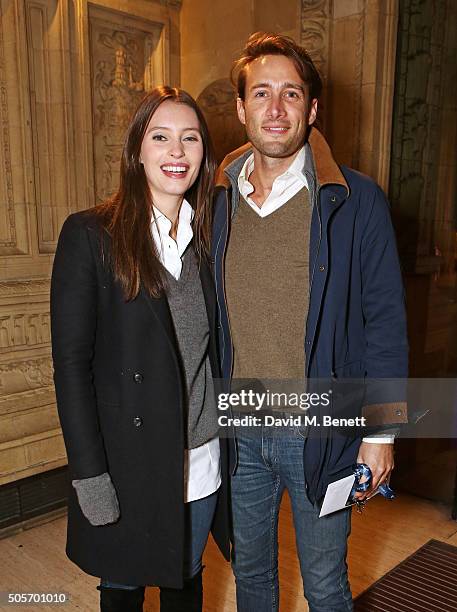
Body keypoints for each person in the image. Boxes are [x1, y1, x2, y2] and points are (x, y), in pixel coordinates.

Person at [212, 33, 408, 611]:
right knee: (251, 579)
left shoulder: (356, 199)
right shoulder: (215, 199)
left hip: (323, 430)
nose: (276, 109)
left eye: (291, 94)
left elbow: (386, 324)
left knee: (324, 585)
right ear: (241, 108)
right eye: (262, 93)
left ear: (312, 109)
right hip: (240, 430)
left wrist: (379, 434)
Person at [51, 86, 230, 612]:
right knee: (124, 590)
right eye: (161, 137)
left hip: (200, 459)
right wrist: (90, 477)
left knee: (186, 581)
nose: (177, 152)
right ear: (137, 150)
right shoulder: (91, 235)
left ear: (204, 154)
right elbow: (70, 367)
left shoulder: (209, 240)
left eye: (190, 139)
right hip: (126, 462)